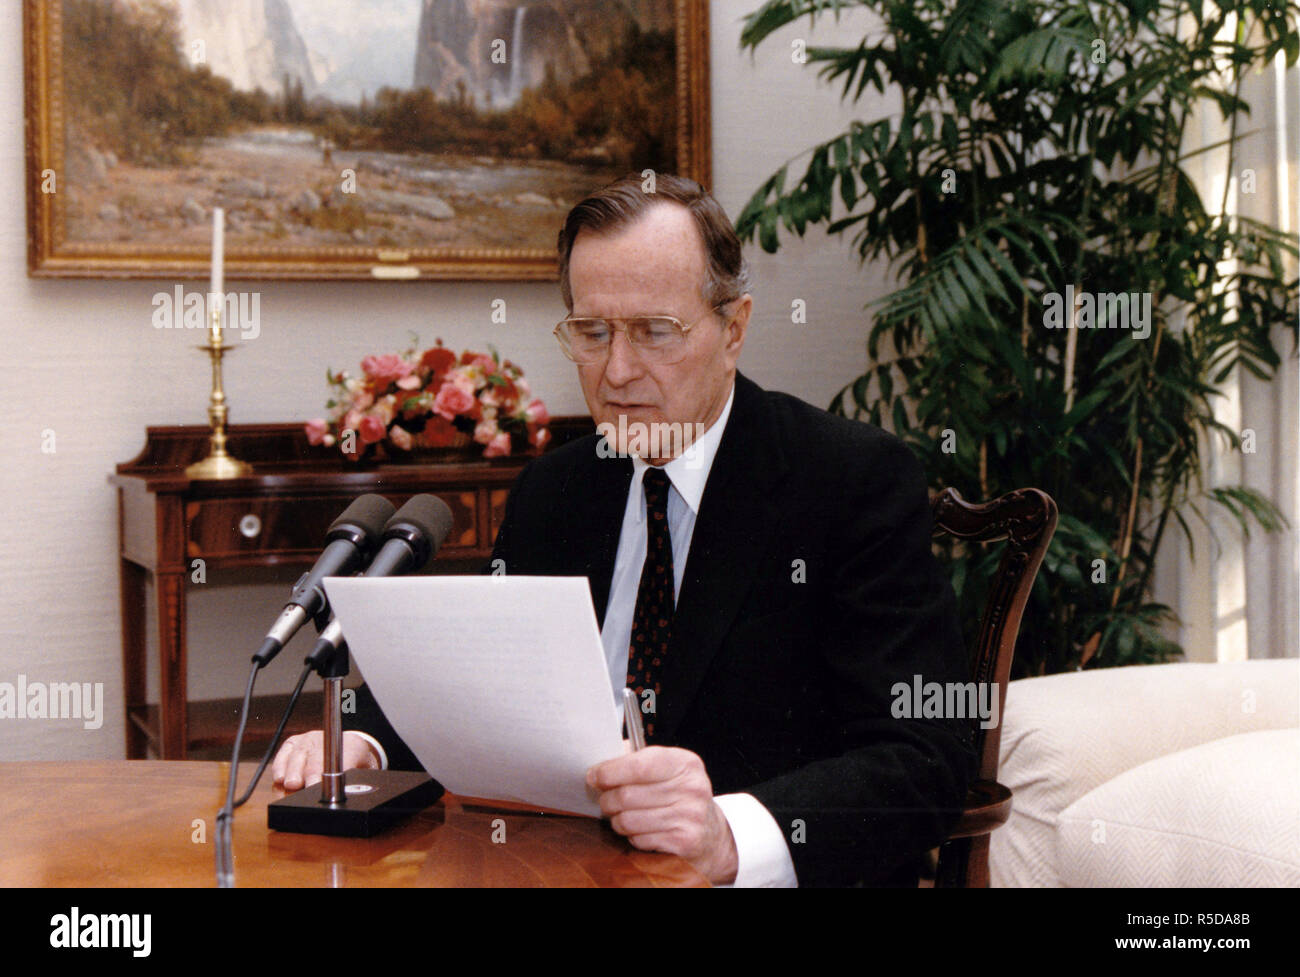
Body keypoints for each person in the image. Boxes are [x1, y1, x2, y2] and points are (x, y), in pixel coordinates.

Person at [272, 173, 975, 887]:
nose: (617, 370)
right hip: (550, 867)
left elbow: (926, 753)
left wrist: (729, 835)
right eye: (592, 331)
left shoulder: (847, 482)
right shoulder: (556, 490)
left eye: (654, 331)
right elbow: (474, 684)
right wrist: (358, 738)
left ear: (733, 329)